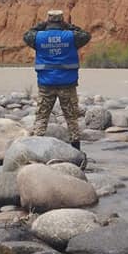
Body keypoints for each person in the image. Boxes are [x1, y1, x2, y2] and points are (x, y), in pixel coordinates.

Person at [23, 9, 91, 151]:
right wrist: (68, 26)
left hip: (46, 83)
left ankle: (36, 150)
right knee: (71, 118)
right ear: (62, 20)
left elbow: (27, 35)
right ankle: (76, 151)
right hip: (68, 83)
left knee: (41, 117)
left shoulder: (38, 37)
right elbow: (86, 35)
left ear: (48, 20)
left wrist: (42, 25)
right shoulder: (71, 36)